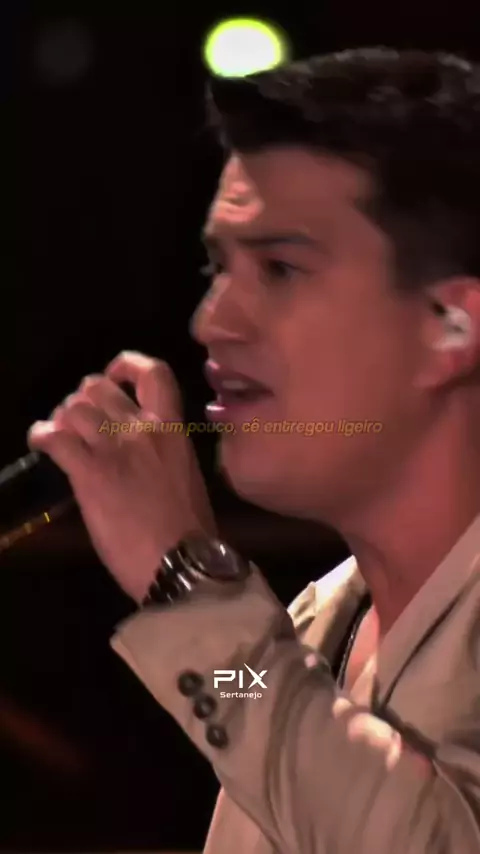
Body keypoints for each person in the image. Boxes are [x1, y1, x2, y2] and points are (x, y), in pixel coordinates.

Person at [28, 47, 480, 853]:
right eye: (218, 265)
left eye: (280, 268)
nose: (212, 320)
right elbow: (254, 681)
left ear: (452, 328)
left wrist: (187, 581)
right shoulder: (314, 626)